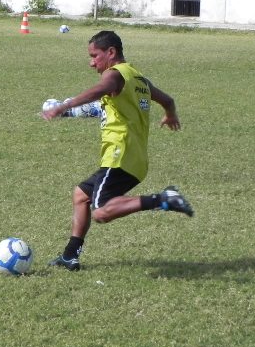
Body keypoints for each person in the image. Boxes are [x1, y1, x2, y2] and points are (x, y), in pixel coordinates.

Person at [42, 30, 194, 271]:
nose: (91, 62)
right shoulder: (139, 79)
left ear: (111, 52)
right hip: (135, 159)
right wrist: (170, 115)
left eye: (95, 56)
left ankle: (163, 199)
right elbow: (168, 100)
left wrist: (64, 106)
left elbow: (99, 90)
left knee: (102, 211)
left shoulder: (114, 76)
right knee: (81, 195)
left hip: (119, 155)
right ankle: (70, 256)